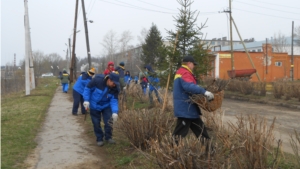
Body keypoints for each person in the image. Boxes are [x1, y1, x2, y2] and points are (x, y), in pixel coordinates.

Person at [172, 55, 214, 142]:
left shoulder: (180, 72)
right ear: (189, 63)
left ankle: (209, 150)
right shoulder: (185, 73)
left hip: (189, 109)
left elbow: (190, 86)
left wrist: (201, 90)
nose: (194, 66)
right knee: (179, 135)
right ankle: (172, 152)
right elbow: (189, 86)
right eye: (193, 64)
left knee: (201, 131)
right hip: (185, 109)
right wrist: (204, 92)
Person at [83, 72, 120, 146]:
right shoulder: (97, 80)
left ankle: (108, 137)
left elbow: (114, 101)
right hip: (94, 105)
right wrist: (86, 100)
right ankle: (99, 138)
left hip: (106, 106)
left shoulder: (115, 89)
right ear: (109, 80)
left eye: (116, 83)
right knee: (96, 123)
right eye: (113, 83)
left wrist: (115, 112)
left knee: (109, 122)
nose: (114, 85)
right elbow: (87, 89)